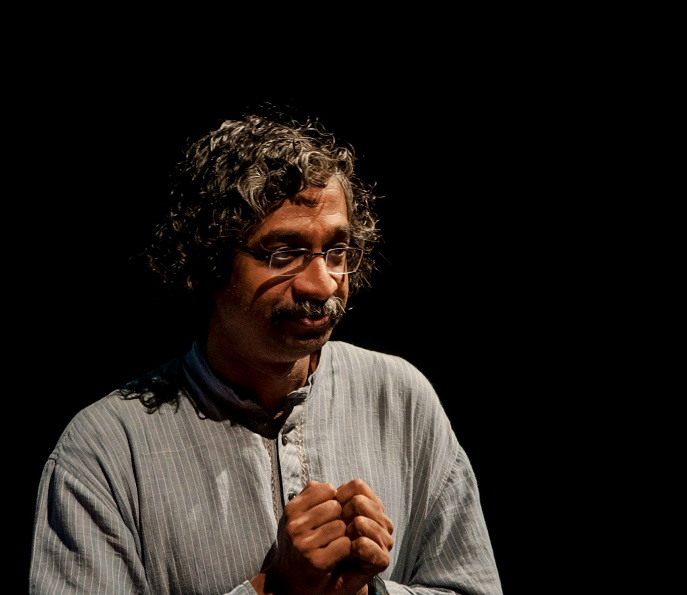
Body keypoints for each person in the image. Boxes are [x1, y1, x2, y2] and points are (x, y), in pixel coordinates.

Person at [29, 107, 502, 594]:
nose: (322, 283)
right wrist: (275, 589)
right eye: (284, 253)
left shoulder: (400, 399)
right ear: (208, 262)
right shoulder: (106, 449)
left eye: (337, 251)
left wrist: (367, 592)